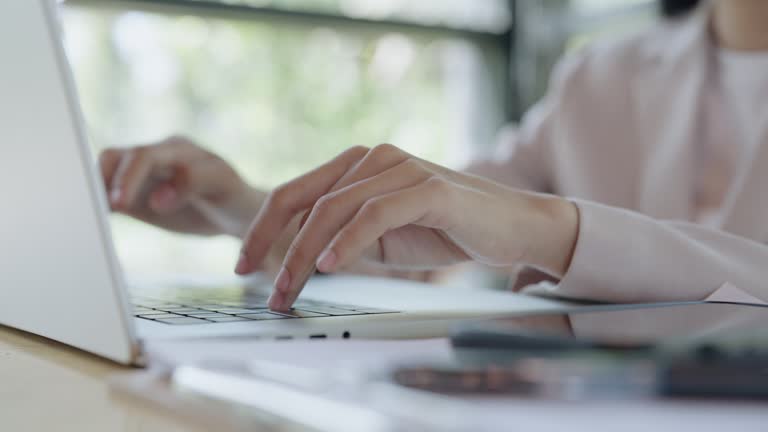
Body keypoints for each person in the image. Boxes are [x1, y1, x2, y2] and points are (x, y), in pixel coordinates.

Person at [100, 0, 768, 312]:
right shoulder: (600, 77)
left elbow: (518, 220)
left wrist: (548, 231)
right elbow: (419, 231)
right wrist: (240, 206)